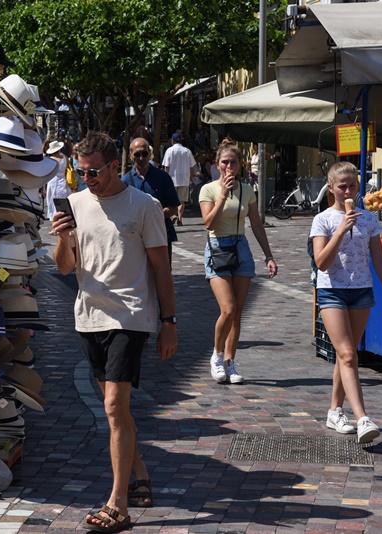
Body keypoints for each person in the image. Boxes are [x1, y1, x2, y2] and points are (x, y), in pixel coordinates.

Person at [52, 132, 177, 532]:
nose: (87, 179)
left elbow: (161, 268)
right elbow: (66, 268)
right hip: (89, 316)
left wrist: (169, 322)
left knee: (111, 407)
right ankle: (140, 475)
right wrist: (63, 237)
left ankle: (117, 503)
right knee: (115, 409)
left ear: (114, 165)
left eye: (94, 172)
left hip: (131, 316)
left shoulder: (144, 206)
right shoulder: (74, 204)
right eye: (80, 172)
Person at [309, 161, 382, 444]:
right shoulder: (322, 219)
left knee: (345, 356)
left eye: (351, 185)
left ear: (358, 186)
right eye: (341, 186)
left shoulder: (370, 220)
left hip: (361, 291)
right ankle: (362, 418)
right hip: (332, 292)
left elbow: (379, 260)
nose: (347, 191)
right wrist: (340, 230)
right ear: (331, 188)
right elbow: (322, 263)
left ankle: (335, 410)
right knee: (349, 355)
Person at [199, 138, 278, 385]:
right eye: (225, 162)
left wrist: (268, 255)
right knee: (228, 308)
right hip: (217, 247)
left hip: (241, 248)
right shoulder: (208, 189)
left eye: (233, 162)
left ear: (240, 165)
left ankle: (230, 362)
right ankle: (217, 355)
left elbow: (256, 224)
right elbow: (209, 223)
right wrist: (222, 195)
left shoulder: (247, 190)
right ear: (217, 164)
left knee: (238, 313)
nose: (229, 166)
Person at [122, 137, 180, 266]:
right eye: (137, 154)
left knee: (162, 271)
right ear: (131, 155)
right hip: (136, 238)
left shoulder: (163, 177)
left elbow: (173, 207)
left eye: (144, 153)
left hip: (160, 233)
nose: (141, 158)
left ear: (150, 154)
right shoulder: (125, 181)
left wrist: (154, 215)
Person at [162, 133, 198, 226]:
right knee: (182, 200)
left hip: (172, 179)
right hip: (184, 179)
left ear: (172, 141)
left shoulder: (169, 151)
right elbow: (191, 167)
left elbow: (167, 166)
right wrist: (191, 177)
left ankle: (173, 215)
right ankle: (180, 219)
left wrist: (165, 178)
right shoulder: (187, 151)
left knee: (170, 199)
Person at [44, 140, 73, 221]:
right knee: (63, 201)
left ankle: (54, 219)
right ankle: (64, 218)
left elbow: (46, 174)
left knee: (52, 202)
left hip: (52, 182)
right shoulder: (65, 158)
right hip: (63, 182)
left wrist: (44, 188)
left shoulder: (49, 160)